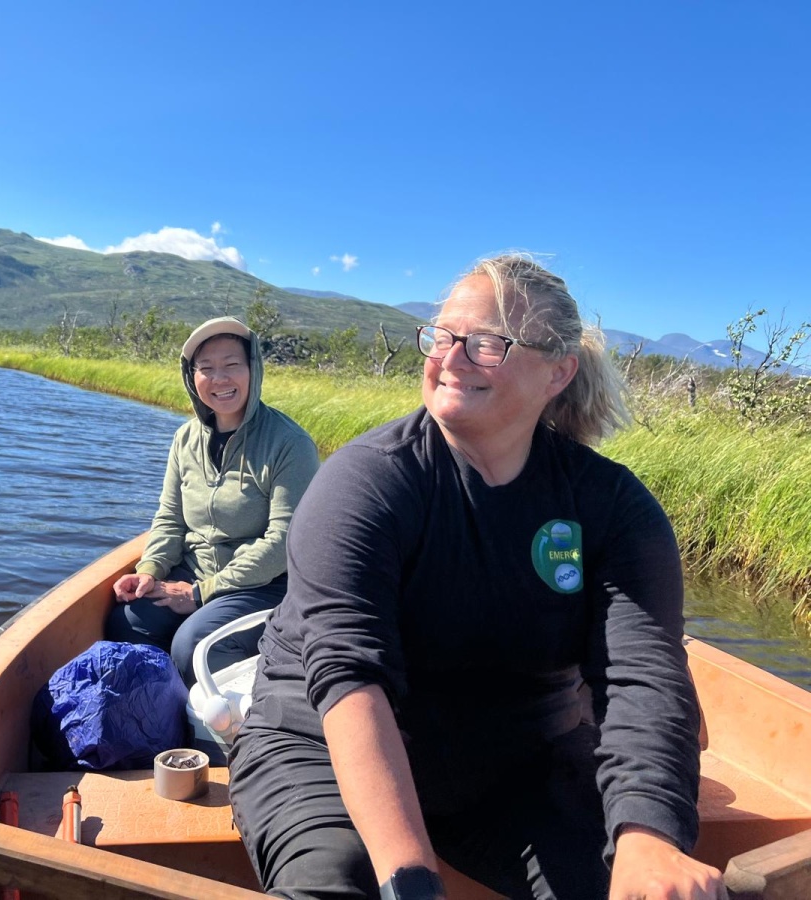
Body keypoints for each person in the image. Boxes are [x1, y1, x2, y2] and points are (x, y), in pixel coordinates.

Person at [228, 255, 726, 900]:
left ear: (558, 371)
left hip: (515, 761)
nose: (452, 358)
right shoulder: (366, 483)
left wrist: (649, 840)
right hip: (321, 745)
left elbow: (642, 679)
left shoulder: (612, 509)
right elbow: (351, 678)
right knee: (335, 883)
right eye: (442, 337)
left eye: (487, 344)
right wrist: (410, 878)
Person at [107, 316, 319, 686]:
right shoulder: (184, 439)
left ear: (253, 370)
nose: (219, 379)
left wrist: (201, 593)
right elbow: (170, 519)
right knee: (128, 622)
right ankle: (159, 719)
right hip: (194, 570)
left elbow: (284, 541)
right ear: (192, 378)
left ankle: (231, 725)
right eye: (206, 369)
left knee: (194, 645)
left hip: (263, 586)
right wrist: (150, 570)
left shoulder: (290, 444)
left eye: (232, 365)